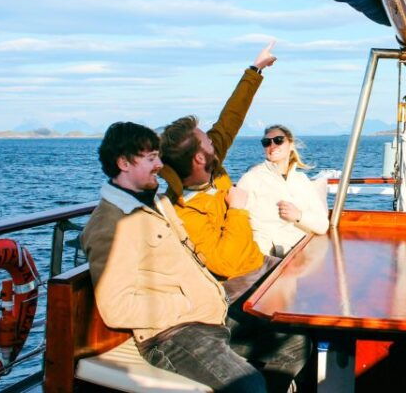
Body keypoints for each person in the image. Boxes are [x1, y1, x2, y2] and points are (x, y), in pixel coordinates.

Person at [81, 122, 267, 392]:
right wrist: (188, 302)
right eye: (150, 158)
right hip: (172, 336)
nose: (160, 165)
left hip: (209, 316)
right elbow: (117, 308)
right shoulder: (111, 224)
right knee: (248, 385)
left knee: (294, 343)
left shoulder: (157, 204)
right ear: (123, 163)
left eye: (158, 156)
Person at [158, 41, 276, 279]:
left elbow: (230, 119)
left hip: (256, 262)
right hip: (235, 286)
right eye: (208, 141)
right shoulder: (185, 212)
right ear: (200, 158)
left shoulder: (210, 167)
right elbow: (226, 265)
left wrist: (255, 70)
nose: (215, 140)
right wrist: (237, 209)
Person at [238, 125, 329, 256]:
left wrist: (298, 216)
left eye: (279, 140)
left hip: (301, 253)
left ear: (291, 144)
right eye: (266, 142)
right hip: (265, 255)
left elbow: (322, 225)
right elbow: (237, 220)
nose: (272, 145)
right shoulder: (251, 179)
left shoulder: (302, 180)